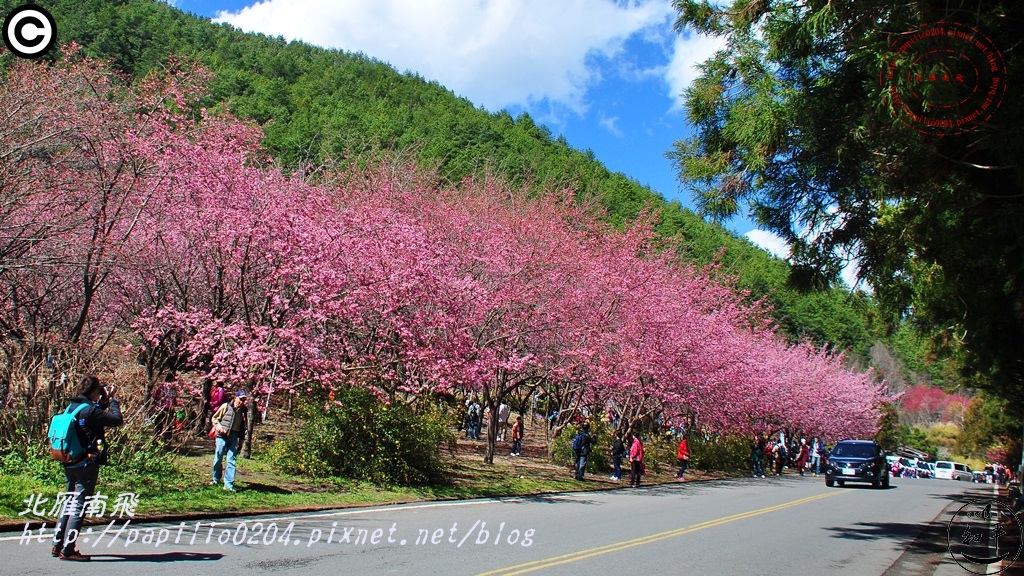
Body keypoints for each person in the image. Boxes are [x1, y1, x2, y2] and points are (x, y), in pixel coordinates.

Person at [52, 374, 123, 561]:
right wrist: (113, 400)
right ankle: (68, 549)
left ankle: (57, 544)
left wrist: (104, 400)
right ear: (93, 391)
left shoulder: (73, 407)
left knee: (68, 503)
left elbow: (96, 414)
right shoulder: (90, 411)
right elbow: (116, 420)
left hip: (69, 460)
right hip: (86, 463)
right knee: (79, 506)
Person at [211, 389, 249, 492]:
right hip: (222, 435)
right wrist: (218, 427)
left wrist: (241, 441)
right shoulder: (226, 406)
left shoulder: (243, 411)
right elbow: (215, 418)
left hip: (234, 436)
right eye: (240, 399)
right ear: (235, 398)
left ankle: (228, 485)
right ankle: (215, 478)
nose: (242, 401)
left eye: (244, 399)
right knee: (218, 458)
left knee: (231, 460)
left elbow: (243, 427)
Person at [150, 379, 176, 443]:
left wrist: (175, 404)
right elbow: (155, 396)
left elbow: (174, 400)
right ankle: (155, 441)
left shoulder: (174, 390)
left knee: (168, 426)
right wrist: (161, 398)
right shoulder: (161, 388)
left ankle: (166, 442)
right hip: (161, 408)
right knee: (159, 425)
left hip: (170, 409)